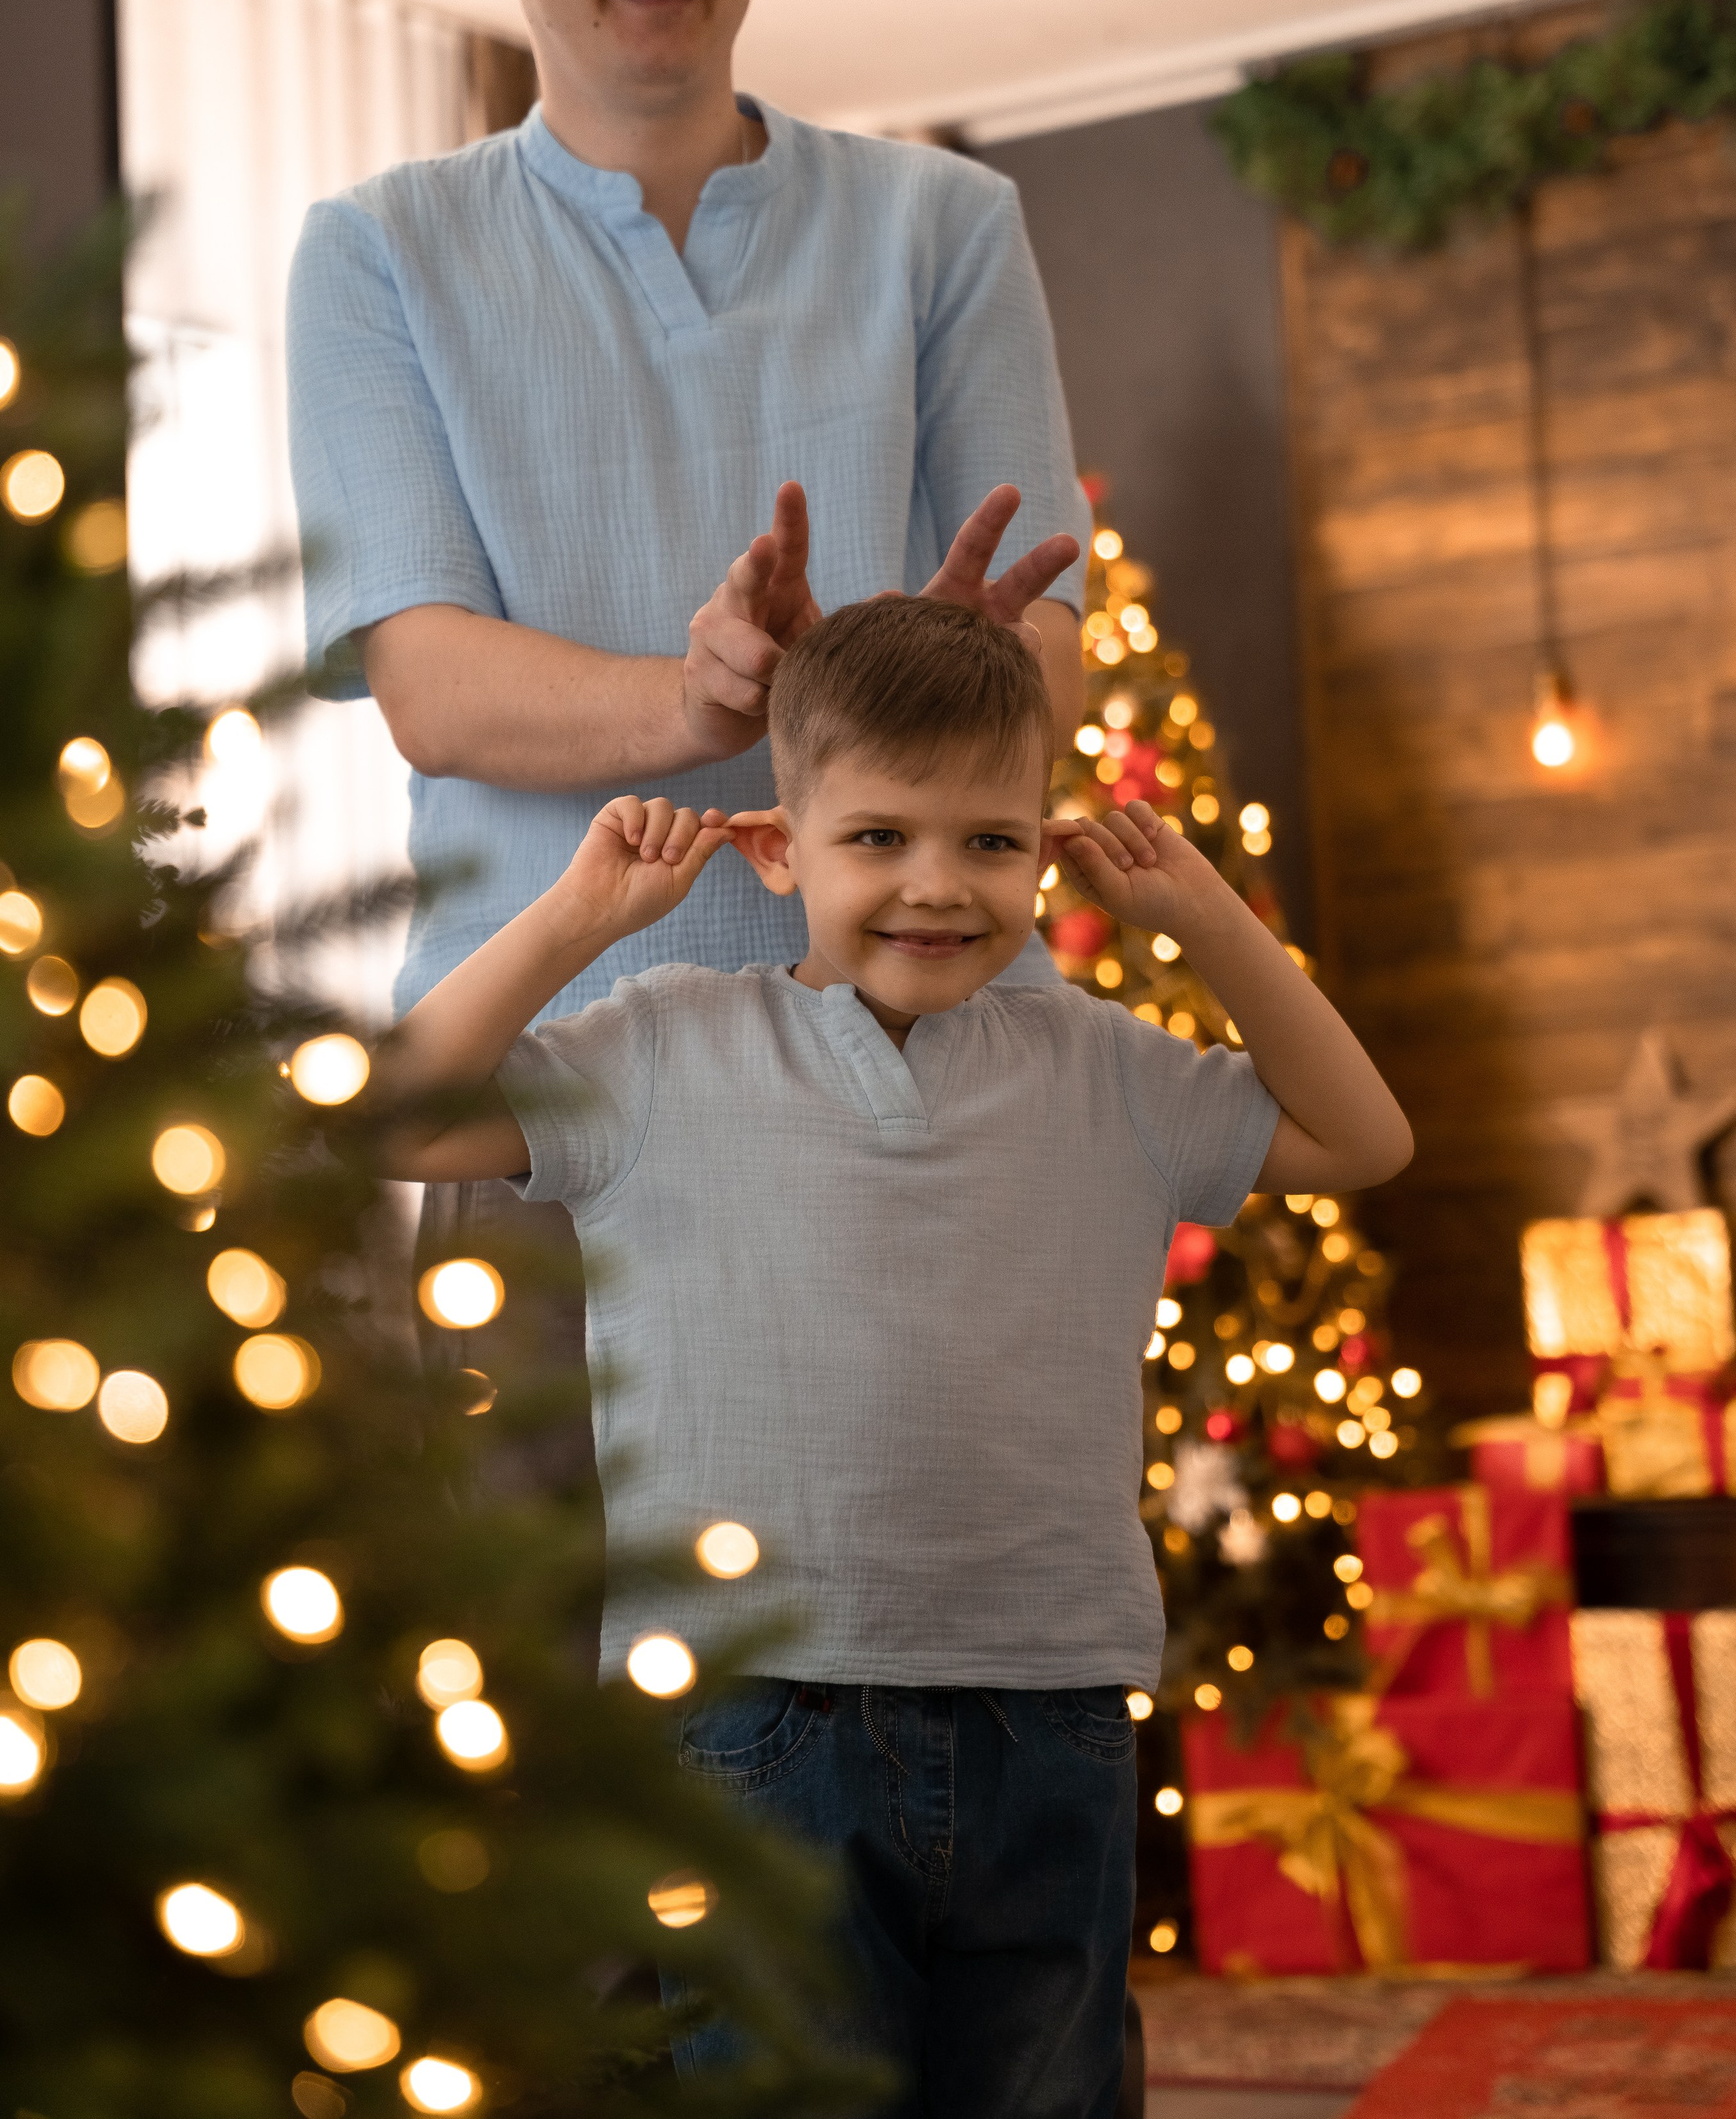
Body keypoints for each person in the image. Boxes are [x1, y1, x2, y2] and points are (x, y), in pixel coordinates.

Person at [372, 595, 1413, 2117]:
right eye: (879, 839)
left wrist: (1206, 922)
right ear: (780, 847)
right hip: (748, 1717)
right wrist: (574, 923)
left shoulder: (1110, 1073)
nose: (938, 885)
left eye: (990, 842)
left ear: (1046, 853)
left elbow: (1365, 1140)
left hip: (1048, 1707)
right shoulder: (659, 1048)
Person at [285, 0, 1088, 1027]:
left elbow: (1046, 654)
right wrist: (700, 697)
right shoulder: (378, 251)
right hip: (543, 1074)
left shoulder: (943, 224)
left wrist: (943, 684)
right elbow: (427, 688)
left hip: (924, 1055)